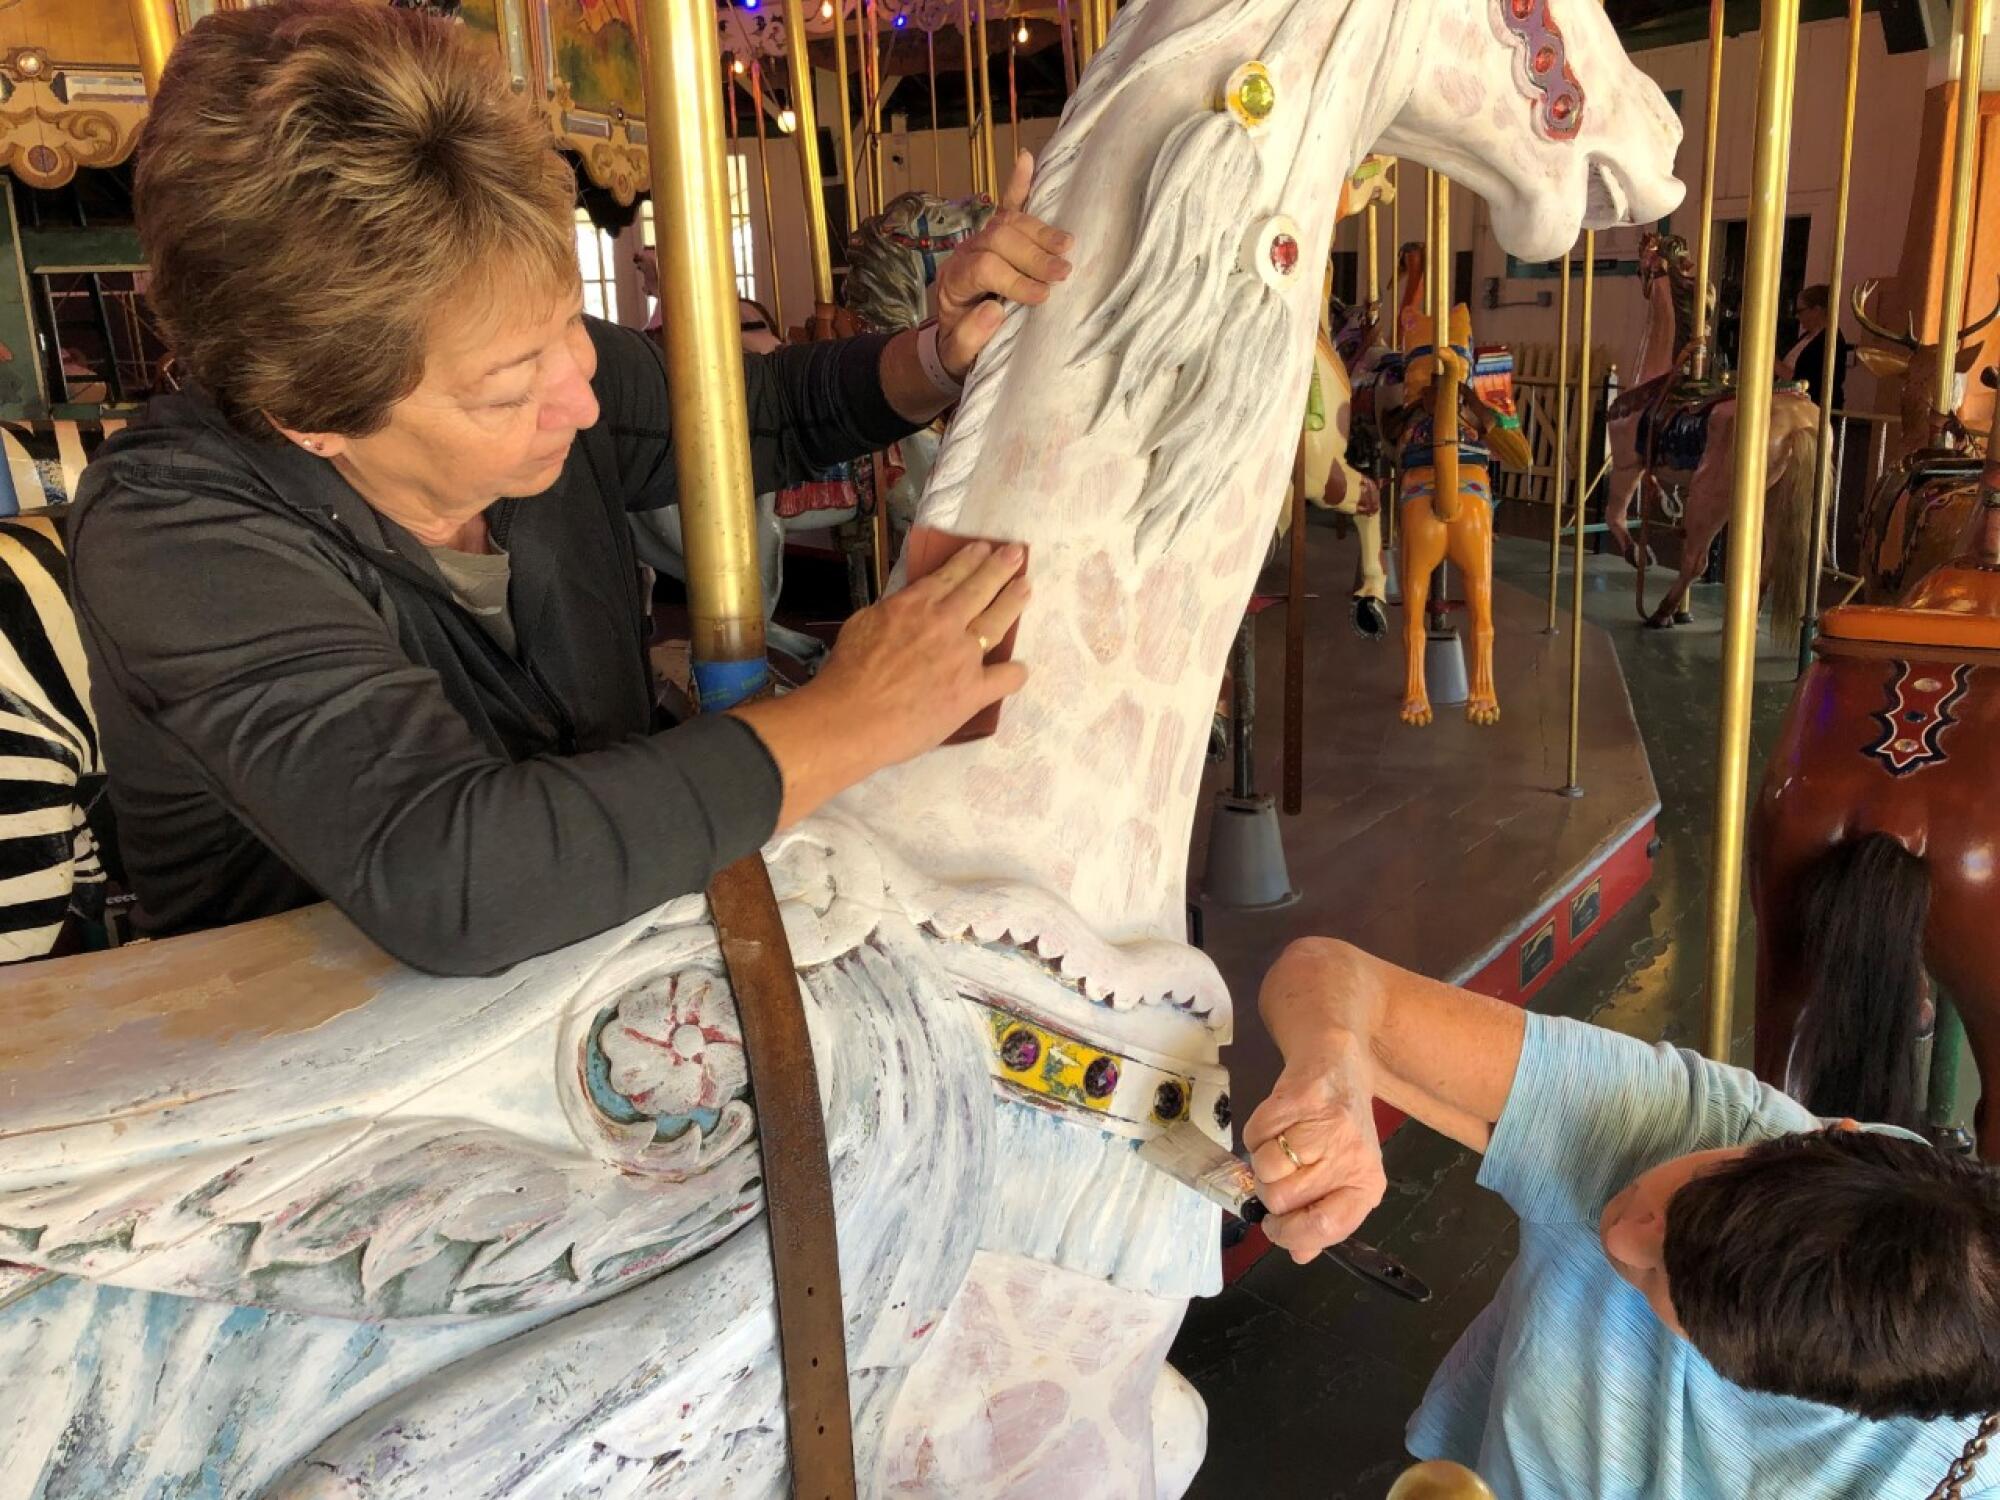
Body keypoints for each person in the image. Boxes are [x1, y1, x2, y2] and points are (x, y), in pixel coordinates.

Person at [68, 0, 1074, 976]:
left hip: (604, 974)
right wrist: (855, 713)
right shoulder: (177, 529)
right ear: (311, 420)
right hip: (318, 1061)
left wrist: (939, 355)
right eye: (509, 389)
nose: (580, 398)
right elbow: (458, 876)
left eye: (565, 325)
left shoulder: (546, 368)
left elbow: (750, 413)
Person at [1244, 937, 2000, 1499]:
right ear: (1833, 1133)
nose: (1617, 1232)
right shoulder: (1700, 1120)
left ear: (1770, 1384)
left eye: (1660, 1286)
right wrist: (1331, 1070)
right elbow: (1323, 974)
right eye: (1693, 1190)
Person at [1776, 282, 1849, 409]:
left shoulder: (1829, 340)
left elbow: (1805, 382)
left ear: (1816, 310)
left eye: (1800, 311)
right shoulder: (1806, 337)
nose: (1797, 316)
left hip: (1810, 409)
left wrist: (1773, 363)